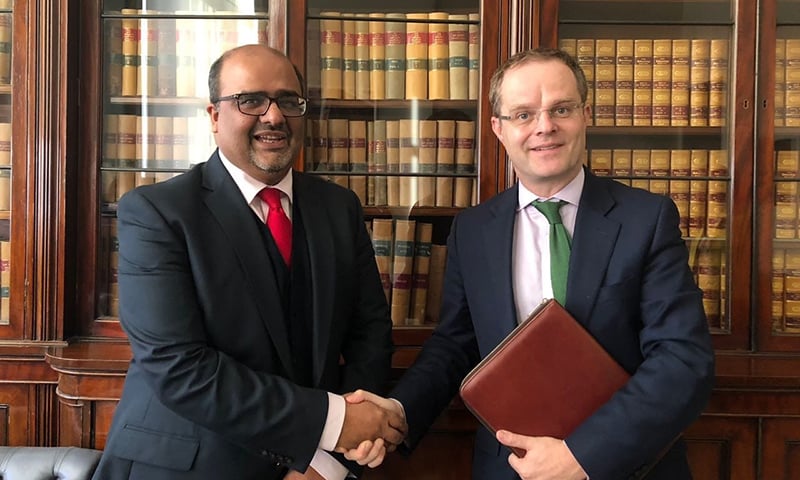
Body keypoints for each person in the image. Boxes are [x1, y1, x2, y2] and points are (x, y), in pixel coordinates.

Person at [344, 47, 716, 480]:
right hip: (511, 467)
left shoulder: (646, 220)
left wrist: (582, 456)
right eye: (524, 115)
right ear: (499, 129)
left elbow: (682, 359)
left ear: (585, 114)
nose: (545, 127)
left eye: (561, 108)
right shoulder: (474, 230)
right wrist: (399, 411)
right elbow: (456, 345)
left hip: (627, 467)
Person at [92, 44, 406, 480]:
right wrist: (332, 426)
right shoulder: (156, 213)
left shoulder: (339, 207)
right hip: (189, 465)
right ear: (215, 116)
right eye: (251, 100)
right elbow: (179, 366)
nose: (274, 117)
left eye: (288, 101)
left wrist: (340, 450)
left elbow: (368, 330)